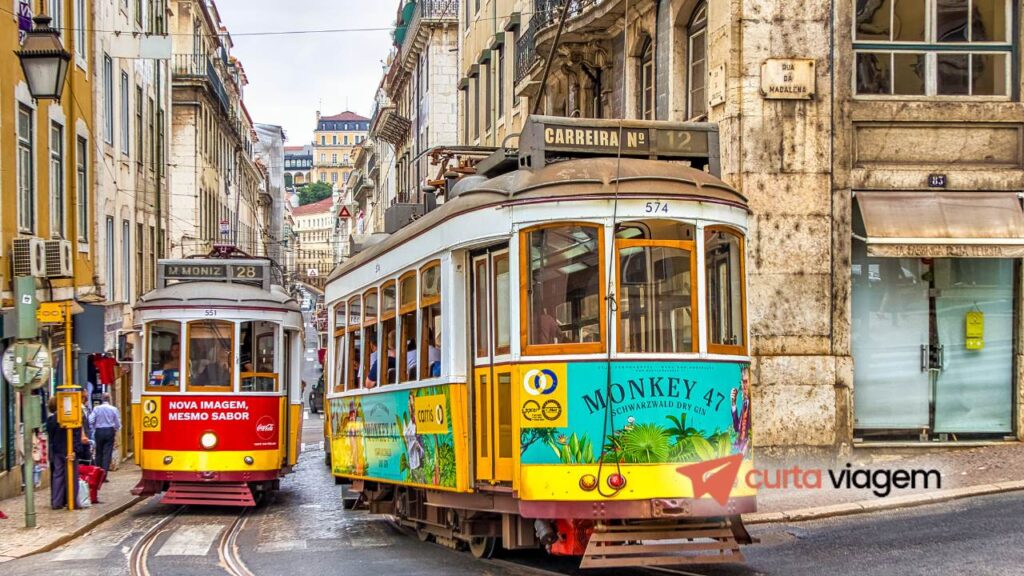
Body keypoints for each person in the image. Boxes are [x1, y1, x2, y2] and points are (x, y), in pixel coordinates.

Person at [46, 396, 86, 509]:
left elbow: (51, 436)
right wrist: (76, 451)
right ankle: (72, 502)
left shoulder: (51, 420)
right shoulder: (73, 418)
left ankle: (57, 502)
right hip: (69, 450)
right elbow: (76, 436)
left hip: (57, 451)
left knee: (58, 476)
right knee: (72, 476)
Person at [89, 394, 121, 475]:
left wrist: (94, 428)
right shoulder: (113, 409)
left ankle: (98, 473)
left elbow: (91, 420)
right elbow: (117, 422)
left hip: (99, 431)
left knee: (98, 452)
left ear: (102, 399)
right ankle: (104, 474)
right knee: (107, 453)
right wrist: (116, 429)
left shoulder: (96, 408)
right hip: (109, 431)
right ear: (109, 399)